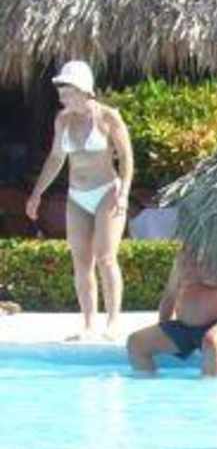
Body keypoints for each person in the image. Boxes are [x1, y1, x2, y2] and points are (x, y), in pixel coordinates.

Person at [23, 61, 134, 341]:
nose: (62, 96)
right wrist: (37, 194)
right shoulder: (63, 120)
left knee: (106, 257)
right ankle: (87, 324)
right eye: (61, 91)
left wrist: (123, 193)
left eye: (67, 91)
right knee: (81, 261)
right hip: (77, 196)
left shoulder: (108, 117)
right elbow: (56, 158)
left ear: (84, 90)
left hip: (107, 191)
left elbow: (126, 158)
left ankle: (113, 322)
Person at [127, 245, 217, 377]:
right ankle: (149, 384)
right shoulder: (185, 256)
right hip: (185, 327)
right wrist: (163, 326)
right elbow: (170, 295)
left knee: (212, 342)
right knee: (136, 343)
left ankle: (212, 389)